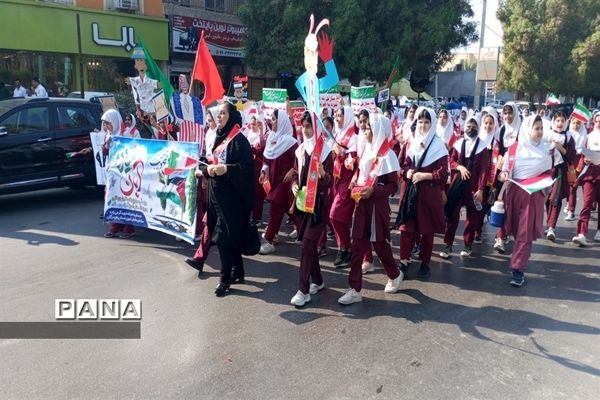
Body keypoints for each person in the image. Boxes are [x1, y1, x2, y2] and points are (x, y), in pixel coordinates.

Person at [338, 112, 403, 305]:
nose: (364, 129)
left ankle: (394, 273)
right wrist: (354, 181)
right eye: (363, 126)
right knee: (357, 244)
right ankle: (354, 288)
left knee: (380, 245)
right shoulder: (366, 149)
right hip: (362, 203)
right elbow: (361, 171)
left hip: (376, 207)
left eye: (367, 127)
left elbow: (392, 186)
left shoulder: (388, 155)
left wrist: (373, 191)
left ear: (377, 129)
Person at [196, 101, 254, 297]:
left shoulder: (239, 141)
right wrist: (203, 171)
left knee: (222, 238)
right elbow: (210, 162)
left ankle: (224, 280)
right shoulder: (217, 138)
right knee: (229, 237)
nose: (219, 117)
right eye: (218, 113)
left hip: (232, 200)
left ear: (232, 117)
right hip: (215, 197)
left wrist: (227, 169)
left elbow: (246, 170)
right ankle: (238, 271)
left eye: (223, 114)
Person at [498, 115, 552, 287]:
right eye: (536, 128)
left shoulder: (545, 151)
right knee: (513, 229)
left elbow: (549, 175)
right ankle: (516, 259)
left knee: (524, 234)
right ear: (527, 129)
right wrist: (504, 175)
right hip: (514, 193)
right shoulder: (514, 149)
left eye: (541, 128)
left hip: (533, 196)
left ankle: (517, 269)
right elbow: (504, 172)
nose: (539, 132)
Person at [398, 107, 448, 279]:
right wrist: (408, 173)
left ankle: (425, 262)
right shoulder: (410, 143)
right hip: (411, 193)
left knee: (427, 230)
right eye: (420, 121)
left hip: (428, 195)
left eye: (427, 122)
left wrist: (425, 176)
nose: (423, 125)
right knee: (407, 227)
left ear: (432, 123)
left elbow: (443, 175)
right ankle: (404, 260)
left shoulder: (439, 146)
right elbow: (402, 166)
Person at [289, 112, 333, 306]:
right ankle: (318, 280)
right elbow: (295, 174)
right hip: (302, 203)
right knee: (309, 246)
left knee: (307, 243)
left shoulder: (325, 151)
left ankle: (303, 289)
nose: (305, 130)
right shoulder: (300, 150)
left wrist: (324, 174)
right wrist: (294, 185)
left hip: (319, 206)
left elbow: (330, 181)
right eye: (303, 126)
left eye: (309, 126)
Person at [441, 115, 490, 259]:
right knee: (452, 215)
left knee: (471, 217)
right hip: (458, 184)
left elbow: (483, 170)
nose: (471, 129)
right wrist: (459, 167)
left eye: (474, 126)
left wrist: (481, 189)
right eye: (469, 126)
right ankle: (448, 245)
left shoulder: (482, 147)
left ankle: (468, 244)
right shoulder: (458, 143)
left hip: (473, 186)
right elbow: (451, 160)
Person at [259, 109, 299, 254]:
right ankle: (302, 231)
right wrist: (264, 170)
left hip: (286, 182)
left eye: (274, 119)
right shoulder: (271, 137)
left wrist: (293, 170)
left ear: (281, 121)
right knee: (291, 210)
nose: (272, 122)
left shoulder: (291, 142)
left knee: (275, 209)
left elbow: (299, 159)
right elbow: (267, 158)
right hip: (274, 180)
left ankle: (269, 240)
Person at [329, 106, 357, 268]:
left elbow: (355, 162)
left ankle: (346, 247)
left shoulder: (354, 136)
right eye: (336, 115)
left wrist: (342, 153)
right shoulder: (337, 134)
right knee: (340, 218)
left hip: (347, 181)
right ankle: (344, 248)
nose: (337, 118)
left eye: (340, 115)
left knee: (335, 215)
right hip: (336, 179)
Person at [101, 109, 136, 239]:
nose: (106, 127)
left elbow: (132, 151)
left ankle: (128, 228)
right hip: (112, 173)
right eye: (104, 124)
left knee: (126, 200)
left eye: (108, 123)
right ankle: (115, 226)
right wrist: (107, 143)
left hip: (125, 173)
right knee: (113, 199)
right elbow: (105, 153)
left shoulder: (125, 134)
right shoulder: (109, 135)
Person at [493, 102, 521, 252]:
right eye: (505, 113)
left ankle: (508, 232)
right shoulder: (502, 129)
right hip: (504, 173)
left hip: (517, 174)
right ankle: (499, 237)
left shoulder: (521, 130)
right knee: (502, 202)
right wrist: (498, 158)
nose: (507, 116)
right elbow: (497, 147)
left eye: (510, 113)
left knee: (513, 207)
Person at [545, 111, 576, 241]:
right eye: (557, 120)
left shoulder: (569, 137)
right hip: (546, 170)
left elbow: (571, 156)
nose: (560, 123)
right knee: (546, 198)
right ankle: (549, 223)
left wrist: (560, 148)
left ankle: (551, 227)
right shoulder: (547, 135)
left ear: (566, 123)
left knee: (555, 198)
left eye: (562, 121)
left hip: (560, 172)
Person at [572, 112, 600, 246]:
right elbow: (583, 154)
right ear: (593, 122)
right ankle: (582, 232)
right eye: (597, 121)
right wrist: (586, 159)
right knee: (587, 203)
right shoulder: (588, 137)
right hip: (590, 174)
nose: (599, 124)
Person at [564, 117, 588, 221]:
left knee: (579, 187)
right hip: (570, 163)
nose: (576, 125)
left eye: (578, 123)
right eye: (574, 123)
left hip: (582, 162)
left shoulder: (586, 137)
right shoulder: (568, 135)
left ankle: (578, 211)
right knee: (571, 186)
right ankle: (570, 208)